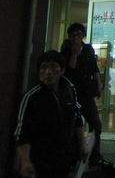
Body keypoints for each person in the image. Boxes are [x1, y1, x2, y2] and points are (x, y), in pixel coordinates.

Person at [15, 50, 90, 178]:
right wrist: (25, 161)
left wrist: (82, 143)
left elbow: (77, 118)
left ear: (62, 70)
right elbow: (22, 133)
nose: (48, 72)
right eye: (43, 68)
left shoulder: (69, 90)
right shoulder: (31, 97)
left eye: (54, 67)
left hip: (65, 159)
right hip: (41, 162)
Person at [59, 22, 108, 168]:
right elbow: (69, 70)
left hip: (86, 93)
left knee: (96, 124)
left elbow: (94, 68)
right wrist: (74, 53)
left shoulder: (88, 49)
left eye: (79, 34)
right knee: (72, 125)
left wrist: (99, 84)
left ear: (83, 36)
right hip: (72, 95)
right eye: (73, 35)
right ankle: (73, 156)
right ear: (69, 36)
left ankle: (95, 156)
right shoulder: (65, 50)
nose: (76, 38)